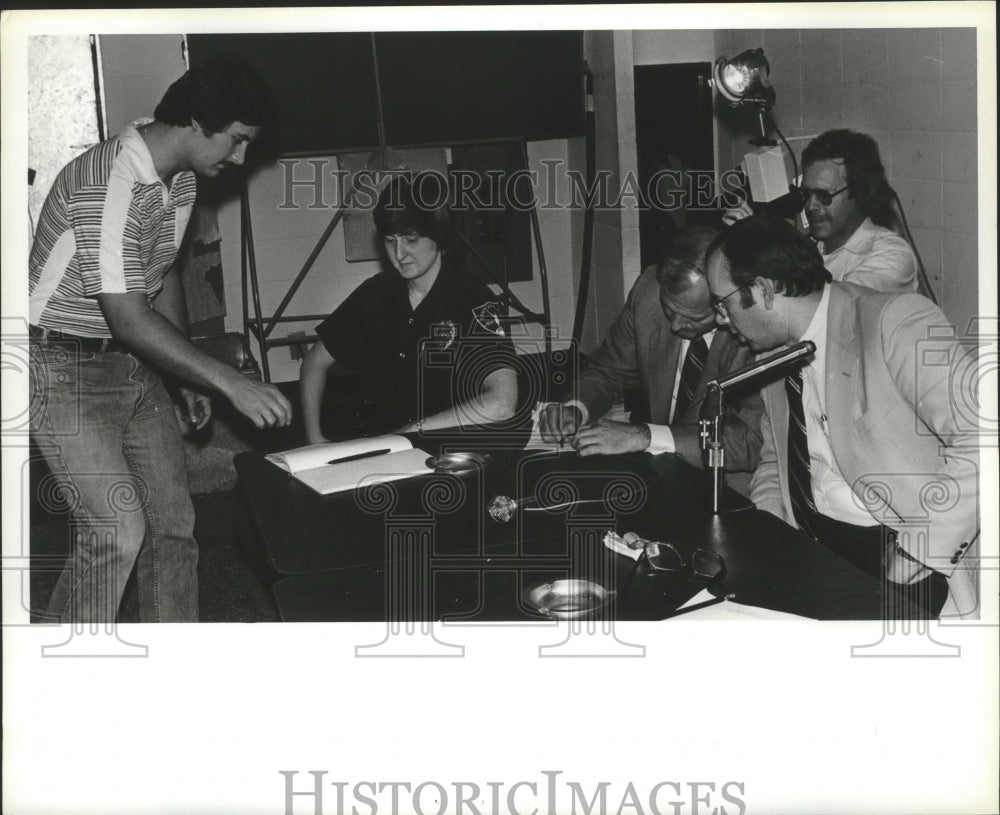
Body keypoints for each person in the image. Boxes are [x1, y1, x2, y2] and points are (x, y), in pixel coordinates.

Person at [29, 55, 293, 624]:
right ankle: (51, 673)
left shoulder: (180, 179)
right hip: (58, 361)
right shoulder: (109, 178)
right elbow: (126, 313)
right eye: (237, 140)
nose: (242, 157)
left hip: (130, 360)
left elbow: (161, 270)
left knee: (174, 527)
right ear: (198, 122)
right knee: (115, 532)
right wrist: (227, 382)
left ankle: (173, 669)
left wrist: (180, 374)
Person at [705, 214, 978, 618]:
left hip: (904, 562)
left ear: (762, 290)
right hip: (815, 548)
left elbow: (984, 435)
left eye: (722, 304)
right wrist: (770, 530)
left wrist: (919, 550)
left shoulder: (895, 321)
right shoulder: (773, 355)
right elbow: (776, 459)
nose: (720, 320)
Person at [539, 224, 763, 494]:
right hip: (662, 473)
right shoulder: (648, 294)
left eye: (694, 318)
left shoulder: (753, 331)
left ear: (723, 302)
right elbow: (608, 369)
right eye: (670, 311)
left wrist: (645, 436)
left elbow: (750, 439)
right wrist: (574, 409)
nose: (677, 327)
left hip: (727, 486)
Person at [300, 174, 518, 443]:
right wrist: (315, 439)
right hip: (380, 444)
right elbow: (314, 363)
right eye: (390, 241)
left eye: (410, 240)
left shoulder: (474, 300)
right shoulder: (374, 293)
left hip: (449, 450)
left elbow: (504, 401)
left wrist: (412, 432)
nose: (399, 254)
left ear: (438, 236)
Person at [724, 129, 917, 293]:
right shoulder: (809, 248)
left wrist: (762, 250)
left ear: (859, 192)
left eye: (823, 195)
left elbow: (833, 309)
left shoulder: (892, 255)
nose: (811, 206)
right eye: (807, 194)